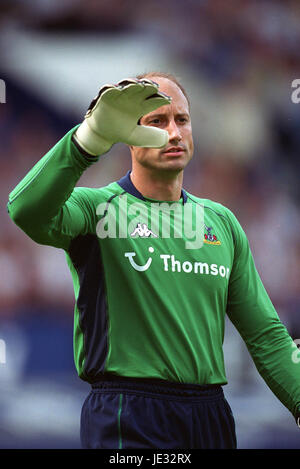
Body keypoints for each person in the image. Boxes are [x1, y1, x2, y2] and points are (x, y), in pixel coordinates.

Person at [7, 72, 300, 449]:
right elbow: (25, 210)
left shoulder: (221, 222)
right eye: (157, 122)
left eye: (182, 119)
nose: (174, 133)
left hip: (210, 415)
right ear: (128, 134)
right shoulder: (97, 208)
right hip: (127, 412)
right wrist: (89, 141)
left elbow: (266, 337)